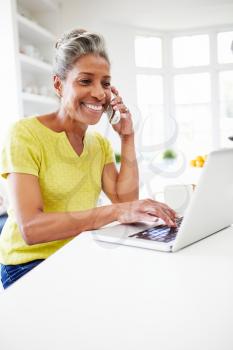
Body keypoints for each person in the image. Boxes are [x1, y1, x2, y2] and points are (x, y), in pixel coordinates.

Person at [0, 29, 176, 289]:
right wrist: (117, 211)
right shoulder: (25, 134)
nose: (99, 93)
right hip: (29, 264)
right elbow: (32, 229)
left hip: (77, 253)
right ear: (58, 85)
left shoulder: (99, 144)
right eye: (85, 81)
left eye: (105, 83)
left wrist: (127, 137)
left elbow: (126, 203)